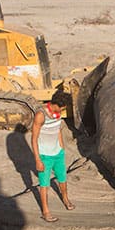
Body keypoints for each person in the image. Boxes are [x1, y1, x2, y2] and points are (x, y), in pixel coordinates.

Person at [31, 90, 75, 222]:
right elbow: (34, 138)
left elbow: (58, 129)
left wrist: (62, 147)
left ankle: (65, 199)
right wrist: (38, 160)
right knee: (44, 184)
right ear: (57, 104)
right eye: (62, 107)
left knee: (62, 178)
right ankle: (45, 211)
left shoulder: (58, 114)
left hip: (58, 153)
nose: (63, 110)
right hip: (45, 155)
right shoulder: (40, 115)